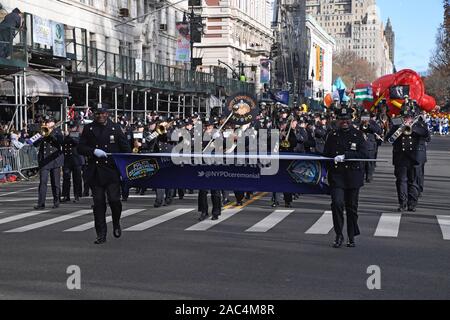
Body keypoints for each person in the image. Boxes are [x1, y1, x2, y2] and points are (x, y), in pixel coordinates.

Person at [77, 106, 131, 244]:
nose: (100, 116)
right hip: (96, 170)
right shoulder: (89, 129)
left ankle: (116, 222)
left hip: (112, 170)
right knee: (99, 203)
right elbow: (80, 148)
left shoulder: (116, 128)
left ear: (107, 114)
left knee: (114, 201)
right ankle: (101, 233)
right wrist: (93, 151)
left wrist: (126, 167)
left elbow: (126, 149)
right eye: (97, 113)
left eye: (102, 113)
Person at [323, 106, 369, 248]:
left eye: (347, 119)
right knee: (337, 204)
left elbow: (364, 154)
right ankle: (338, 235)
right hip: (337, 176)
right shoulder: (332, 135)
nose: (344, 121)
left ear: (351, 119)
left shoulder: (358, 135)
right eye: (342, 119)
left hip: (353, 175)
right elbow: (326, 154)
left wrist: (346, 156)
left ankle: (351, 236)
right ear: (338, 120)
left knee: (352, 207)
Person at [385, 106, 430, 212]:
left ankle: (412, 204)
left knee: (413, 181)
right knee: (401, 181)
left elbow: (426, 134)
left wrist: (411, 127)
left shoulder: (419, 124)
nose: (406, 119)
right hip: (401, 157)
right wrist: (399, 129)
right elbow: (388, 138)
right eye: (404, 116)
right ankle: (402, 203)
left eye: (408, 117)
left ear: (412, 116)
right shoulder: (396, 124)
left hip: (415, 157)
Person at [33, 116, 64, 209]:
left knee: (55, 182)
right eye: (46, 122)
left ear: (53, 123)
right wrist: (41, 135)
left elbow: (60, 142)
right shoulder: (41, 131)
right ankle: (41, 203)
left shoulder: (58, 131)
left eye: (49, 122)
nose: (47, 123)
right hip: (44, 161)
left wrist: (50, 134)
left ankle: (56, 201)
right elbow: (34, 143)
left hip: (54, 160)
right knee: (43, 182)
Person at [61, 121, 84, 203]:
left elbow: (77, 143)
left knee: (77, 179)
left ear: (76, 127)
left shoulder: (79, 135)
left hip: (77, 160)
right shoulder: (66, 136)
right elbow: (62, 145)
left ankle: (77, 196)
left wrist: (70, 136)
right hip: (67, 160)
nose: (70, 128)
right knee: (66, 178)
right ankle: (65, 195)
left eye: (72, 127)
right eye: (70, 127)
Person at [359, 110, 383, 183]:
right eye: (363, 117)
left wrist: (369, 125)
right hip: (361, 144)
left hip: (370, 145)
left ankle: (369, 176)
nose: (365, 119)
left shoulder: (372, 123)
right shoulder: (359, 123)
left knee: (370, 162)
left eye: (366, 117)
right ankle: (361, 176)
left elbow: (379, 131)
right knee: (361, 162)